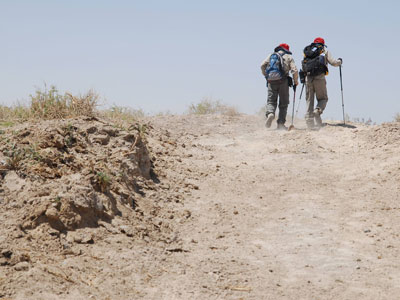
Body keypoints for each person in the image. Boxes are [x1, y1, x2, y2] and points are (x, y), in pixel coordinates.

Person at [302, 37, 342, 129]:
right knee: (323, 98)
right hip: (320, 78)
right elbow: (333, 63)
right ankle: (318, 110)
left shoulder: (307, 51)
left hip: (308, 78)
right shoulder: (324, 50)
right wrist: (340, 61)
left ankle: (309, 122)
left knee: (309, 100)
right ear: (323, 44)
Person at [261, 43, 299, 130]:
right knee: (283, 103)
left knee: (271, 101)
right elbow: (294, 70)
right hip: (283, 81)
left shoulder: (271, 55)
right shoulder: (288, 57)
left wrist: (267, 76)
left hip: (271, 81)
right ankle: (280, 124)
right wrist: (295, 81)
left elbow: (262, 65)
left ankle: (270, 114)